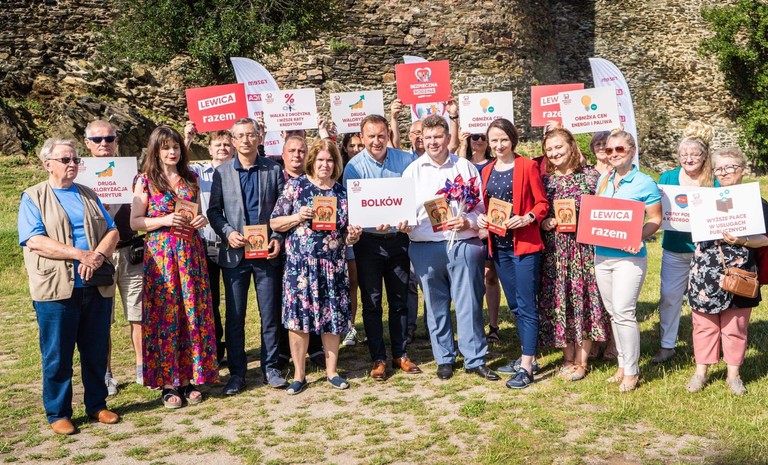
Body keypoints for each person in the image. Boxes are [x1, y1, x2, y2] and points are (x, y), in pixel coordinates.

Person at [19, 138, 120, 434]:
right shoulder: (33, 197)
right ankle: (58, 413)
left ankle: (97, 405)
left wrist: (97, 256)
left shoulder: (88, 193)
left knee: (95, 351)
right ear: (48, 164)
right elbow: (35, 240)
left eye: (76, 159)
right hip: (56, 289)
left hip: (95, 285)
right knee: (57, 354)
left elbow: (112, 230)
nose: (73, 164)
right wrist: (79, 255)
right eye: (66, 159)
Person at [402, 114, 498, 381]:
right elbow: (404, 210)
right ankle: (444, 358)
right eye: (427, 137)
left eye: (437, 137)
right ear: (422, 139)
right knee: (435, 306)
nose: (433, 142)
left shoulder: (465, 167)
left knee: (469, 303)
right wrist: (404, 223)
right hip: (425, 246)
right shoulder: (412, 171)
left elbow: (481, 207)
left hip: (463, 243)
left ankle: (474, 358)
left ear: (447, 137)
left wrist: (468, 220)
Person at [130, 126, 218, 408]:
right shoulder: (145, 180)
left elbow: (196, 213)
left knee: (191, 313)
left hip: (190, 253)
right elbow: (135, 222)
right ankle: (169, 382)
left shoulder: (191, 178)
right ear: (156, 150)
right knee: (166, 315)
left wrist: (201, 220)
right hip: (162, 257)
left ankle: (190, 377)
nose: (172, 152)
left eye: (176, 147)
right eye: (166, 147)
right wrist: (164, 220)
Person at [270, 140, 362, 394]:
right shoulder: (295, 186)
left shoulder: (342, 193)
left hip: (332, 266)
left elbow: (346, 234)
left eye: (330, 160)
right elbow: (275, 222)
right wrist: (297, 216)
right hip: (300, 267)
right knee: (298, 320)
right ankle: (299, 375)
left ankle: (332, 372)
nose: (325, 164)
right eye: (320, 159)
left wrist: (352, 237)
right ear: (312, 161)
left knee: (331, 317)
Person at [207, 118, 287, 394]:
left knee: (270, 314)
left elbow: (283, 211)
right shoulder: (222, 172)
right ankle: (237, 373)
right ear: (233, 140)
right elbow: (213, 211)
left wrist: (277, 238)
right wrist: (227, 232)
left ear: (259, 138)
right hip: (235, 255)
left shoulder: (273, 170)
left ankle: (271, 368)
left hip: (266, 254)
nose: (245, 140)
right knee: (235, 316)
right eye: (240, 136)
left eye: (250, 135)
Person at [343, 114, 421, 381]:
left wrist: (409, 218)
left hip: (399, 239)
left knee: (399, 300)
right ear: (361, 137)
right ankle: (378, 358)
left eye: (381, 135)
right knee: (372, 302)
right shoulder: (353, 168)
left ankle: (401, 354)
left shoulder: (406, 160)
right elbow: (352, 208)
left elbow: (414, 197)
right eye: (371, 136)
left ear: (388, 134)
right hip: (369, 243)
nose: (376, 141)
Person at [685, 147, 768, 395]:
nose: (724, 172)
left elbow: (765, 239)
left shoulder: (757, 203)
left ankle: (734, 375)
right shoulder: (703, 200)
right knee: (703, 325)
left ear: (742, 169)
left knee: (735, 327)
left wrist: (743, 240)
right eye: (719, 168)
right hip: (705, 272)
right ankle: (701, 372)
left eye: (730, 167)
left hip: (740, 272)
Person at [477, 118, 549, 389]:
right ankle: (528, 355)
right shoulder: (486, 170)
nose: (498, 145)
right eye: (494, 140)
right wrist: (482, 219)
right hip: (500, 248)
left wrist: (528, 217)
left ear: (513, 140)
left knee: (527, 304)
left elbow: (542, 203)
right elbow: (485, 206)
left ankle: (527, 367)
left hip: (524, 245)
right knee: (516, 305)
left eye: (503, 140)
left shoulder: (527, 166)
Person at [537, 128, 609, 381]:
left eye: (559, 147)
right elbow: (538, 212)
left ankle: (582, 360)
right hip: (555, 252)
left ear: (571, 146)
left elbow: (604, 211)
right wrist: (545, 222)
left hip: (583, 250)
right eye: (549, 149)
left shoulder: (591, 177)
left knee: (584, 302)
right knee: (560, 302)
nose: (554, 153)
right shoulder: (545, 181)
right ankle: (567, 357)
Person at [593, 130, 662, 392]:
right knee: (613, 312)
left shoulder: (645, 182)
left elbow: (655, 219)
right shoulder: (604, 179)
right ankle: (622, 365)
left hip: (629, 258)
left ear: (632, 151)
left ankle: (632, 372)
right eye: (609, 150)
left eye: (619, 149)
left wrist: (637, 235)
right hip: (602, 255)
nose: (613, 154)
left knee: (624, 312)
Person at [83, 120, 144, 391]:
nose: (103, 144)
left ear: (117, 141)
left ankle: (143, 369)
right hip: (99, 255)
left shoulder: (132, 173)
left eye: (109, 138)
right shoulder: (79, 176)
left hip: (131, 251)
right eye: (97, 139)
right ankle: (106, 374)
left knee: (138, 315)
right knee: (101, 321)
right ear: (87, 143)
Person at [653, 122, 717, 364]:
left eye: (694, 154)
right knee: (669, 297)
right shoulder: (668, 178)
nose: (689, 159)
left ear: (704, 156)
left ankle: (708, 347)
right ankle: (667, 345)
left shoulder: (714, 180)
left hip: (707, 250)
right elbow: (657, 209)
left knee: (706, 298)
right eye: (684, 154)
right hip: (675, 248)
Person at [184, 123, 235, 364]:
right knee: (210, 299)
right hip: (206, 245)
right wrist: (187, 138)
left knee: (235, 302)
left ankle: (235, 348)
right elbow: (177, 167)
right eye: (218, 145)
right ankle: (215, 347)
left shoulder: (238, 172)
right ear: (210, 149)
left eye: (227, 144)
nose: (223, 148)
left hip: (234, 244)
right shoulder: (197, 172)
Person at [280, 135, 326, 367]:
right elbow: (274, 219)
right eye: (292, 150)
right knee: (295, 311)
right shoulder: (289, 183)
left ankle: (319, 354)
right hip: (293, 259)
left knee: (321, 305)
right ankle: (288, 359)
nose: (297, 155)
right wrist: (297, 217)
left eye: (301, 150)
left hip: (324, 261)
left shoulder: (334, 188)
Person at [458, 129, 502, 344]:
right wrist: (461, 143)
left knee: (490, 276)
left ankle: (493, 325)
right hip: (468, 229)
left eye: (483, 137)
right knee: (472, 281)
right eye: (474, 137)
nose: (479, 140)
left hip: (492, 225)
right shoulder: (461, 164)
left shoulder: (496, 164)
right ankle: (473, 327)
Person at [339, 132, 365, 347]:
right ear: (345, 148)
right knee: (343, 283)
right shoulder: (338, 170)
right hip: (341, 233)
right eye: (352, 145)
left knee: (354, 281)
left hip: (361, 232)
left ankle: (350, 327)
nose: (356, 149)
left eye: (359, 145)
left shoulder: (365, 168)